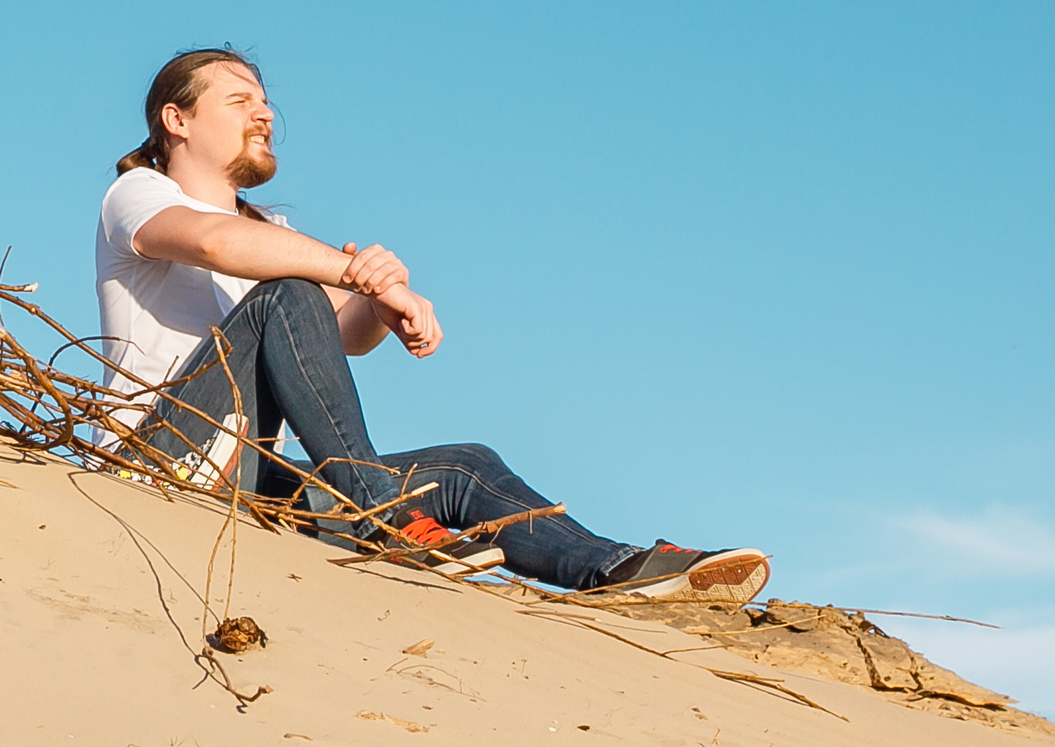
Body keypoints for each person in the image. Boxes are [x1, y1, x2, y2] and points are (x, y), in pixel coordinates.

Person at [94, 47, 768, 600]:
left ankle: (616, 568)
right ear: (176, 119)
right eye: (240, 100)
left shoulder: (271, 231)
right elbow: (216, 246)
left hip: (245, 475)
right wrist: (345, 270)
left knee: (465, 466)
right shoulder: (139, 194)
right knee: (289, 292)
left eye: (266, 101)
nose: (264, 113)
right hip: (157, 462)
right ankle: (379, 515)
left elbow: (338, 335)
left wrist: (383, 302)